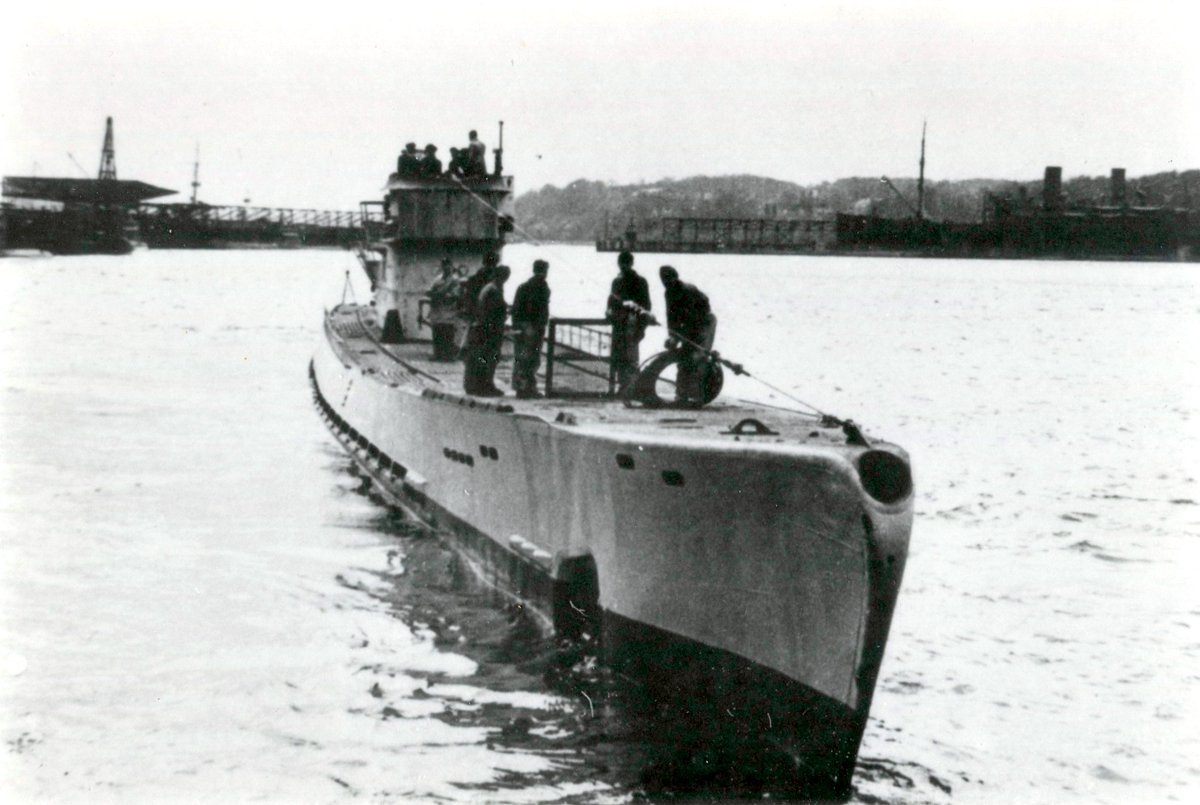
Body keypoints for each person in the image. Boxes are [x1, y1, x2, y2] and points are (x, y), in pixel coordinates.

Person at [659, 265, 717, 407]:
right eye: (663, 281)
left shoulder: (687, 290)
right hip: (689, 326)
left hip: (704, 322)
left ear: (675, 277)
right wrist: (672, 336)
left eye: (668, 280)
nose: (666, 283)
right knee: (683, 357)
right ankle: (682, 395)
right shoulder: (668, 293)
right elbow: (671, 317)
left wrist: (678, 337)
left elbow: (692, 318)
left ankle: (698, 396)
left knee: (698, 356)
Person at [606, 250, 651, 391]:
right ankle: (628, 386)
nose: (623, 266)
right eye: (622, 263)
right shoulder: (639, 281)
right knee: (627, 356)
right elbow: (646, 305)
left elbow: (612, 302)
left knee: (624, 356)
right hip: (628, 323)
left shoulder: (620, 281)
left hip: (626, 323)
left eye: (624, 263)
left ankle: (626, 386)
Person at [463, 264, 511, 396]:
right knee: (488, 358)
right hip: (489, 330)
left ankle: (482, 385)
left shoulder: (490, 288)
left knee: (484, 358)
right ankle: (484, 386)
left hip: (484, 328)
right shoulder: (493, 290)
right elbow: (491, 312)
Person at [510, 259, 551, 398]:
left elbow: (516, 309)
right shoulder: (542, 287)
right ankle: (527, 388)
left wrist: (516, 325)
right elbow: (538, 309)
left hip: (522, 325)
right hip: (534, 327)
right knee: (531, 359)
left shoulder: (523, 286)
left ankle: (521, 387)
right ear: (545, 270)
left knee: (521, 358)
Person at [426, 258, 461, 360]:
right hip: (437, 310)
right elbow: (431, 290)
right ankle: (437, 354)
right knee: (437, 333)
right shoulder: (437, 279)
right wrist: (432, 294)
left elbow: (456, 294)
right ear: (442, 267)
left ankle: (448, 355)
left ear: (451, 267)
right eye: (445, 266)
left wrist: (442, 295)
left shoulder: (454, 280)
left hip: (448, 310)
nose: (447, 268)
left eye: (449, 266)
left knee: (448, 333)